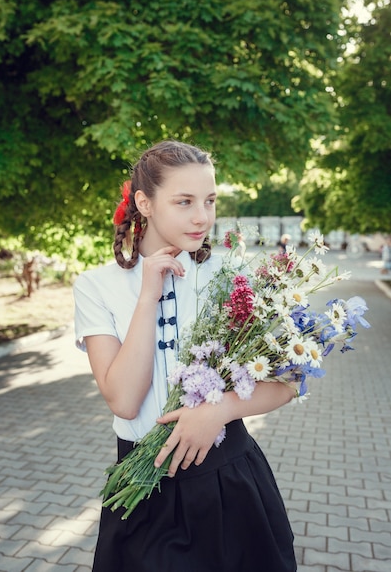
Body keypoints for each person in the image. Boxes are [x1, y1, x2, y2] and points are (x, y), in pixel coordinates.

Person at [73, 140, 297, 572]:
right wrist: (147, 295)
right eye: (184, 201)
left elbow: (288, 381)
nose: (202, 217)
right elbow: (123, 400)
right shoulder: (95, 285)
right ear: (145, 202)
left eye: (210, 201)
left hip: (229, 481)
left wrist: (219, 409)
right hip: (141, 487)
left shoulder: (234, 275)